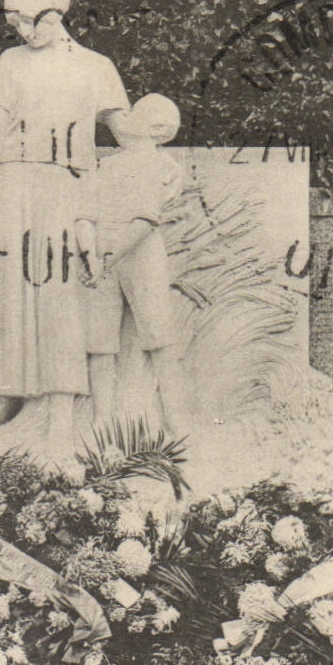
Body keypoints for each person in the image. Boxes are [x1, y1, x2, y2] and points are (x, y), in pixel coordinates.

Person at [0, 0, 131, 463]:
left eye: (27, 23)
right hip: (14, 185)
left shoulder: (96, 68)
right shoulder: (11, 63)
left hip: (66, 186)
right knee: (11, 294)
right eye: (14, 26)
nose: (21, 34)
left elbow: (128, 137)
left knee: (60, 299)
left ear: (54, 16)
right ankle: (8, 403)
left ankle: (58, 422)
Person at [84, 93, 189, 437]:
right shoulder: (110, 164)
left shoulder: (164, 168)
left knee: (159, 336)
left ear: (157, 129)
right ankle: (102, 420)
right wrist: (94, 254)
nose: (127, 117)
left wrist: (108, 256)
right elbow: (89, 210)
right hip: (102, 253)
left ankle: (177, 421)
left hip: (140, 252)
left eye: (137, 112)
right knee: (100, 340)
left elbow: (145, 219)